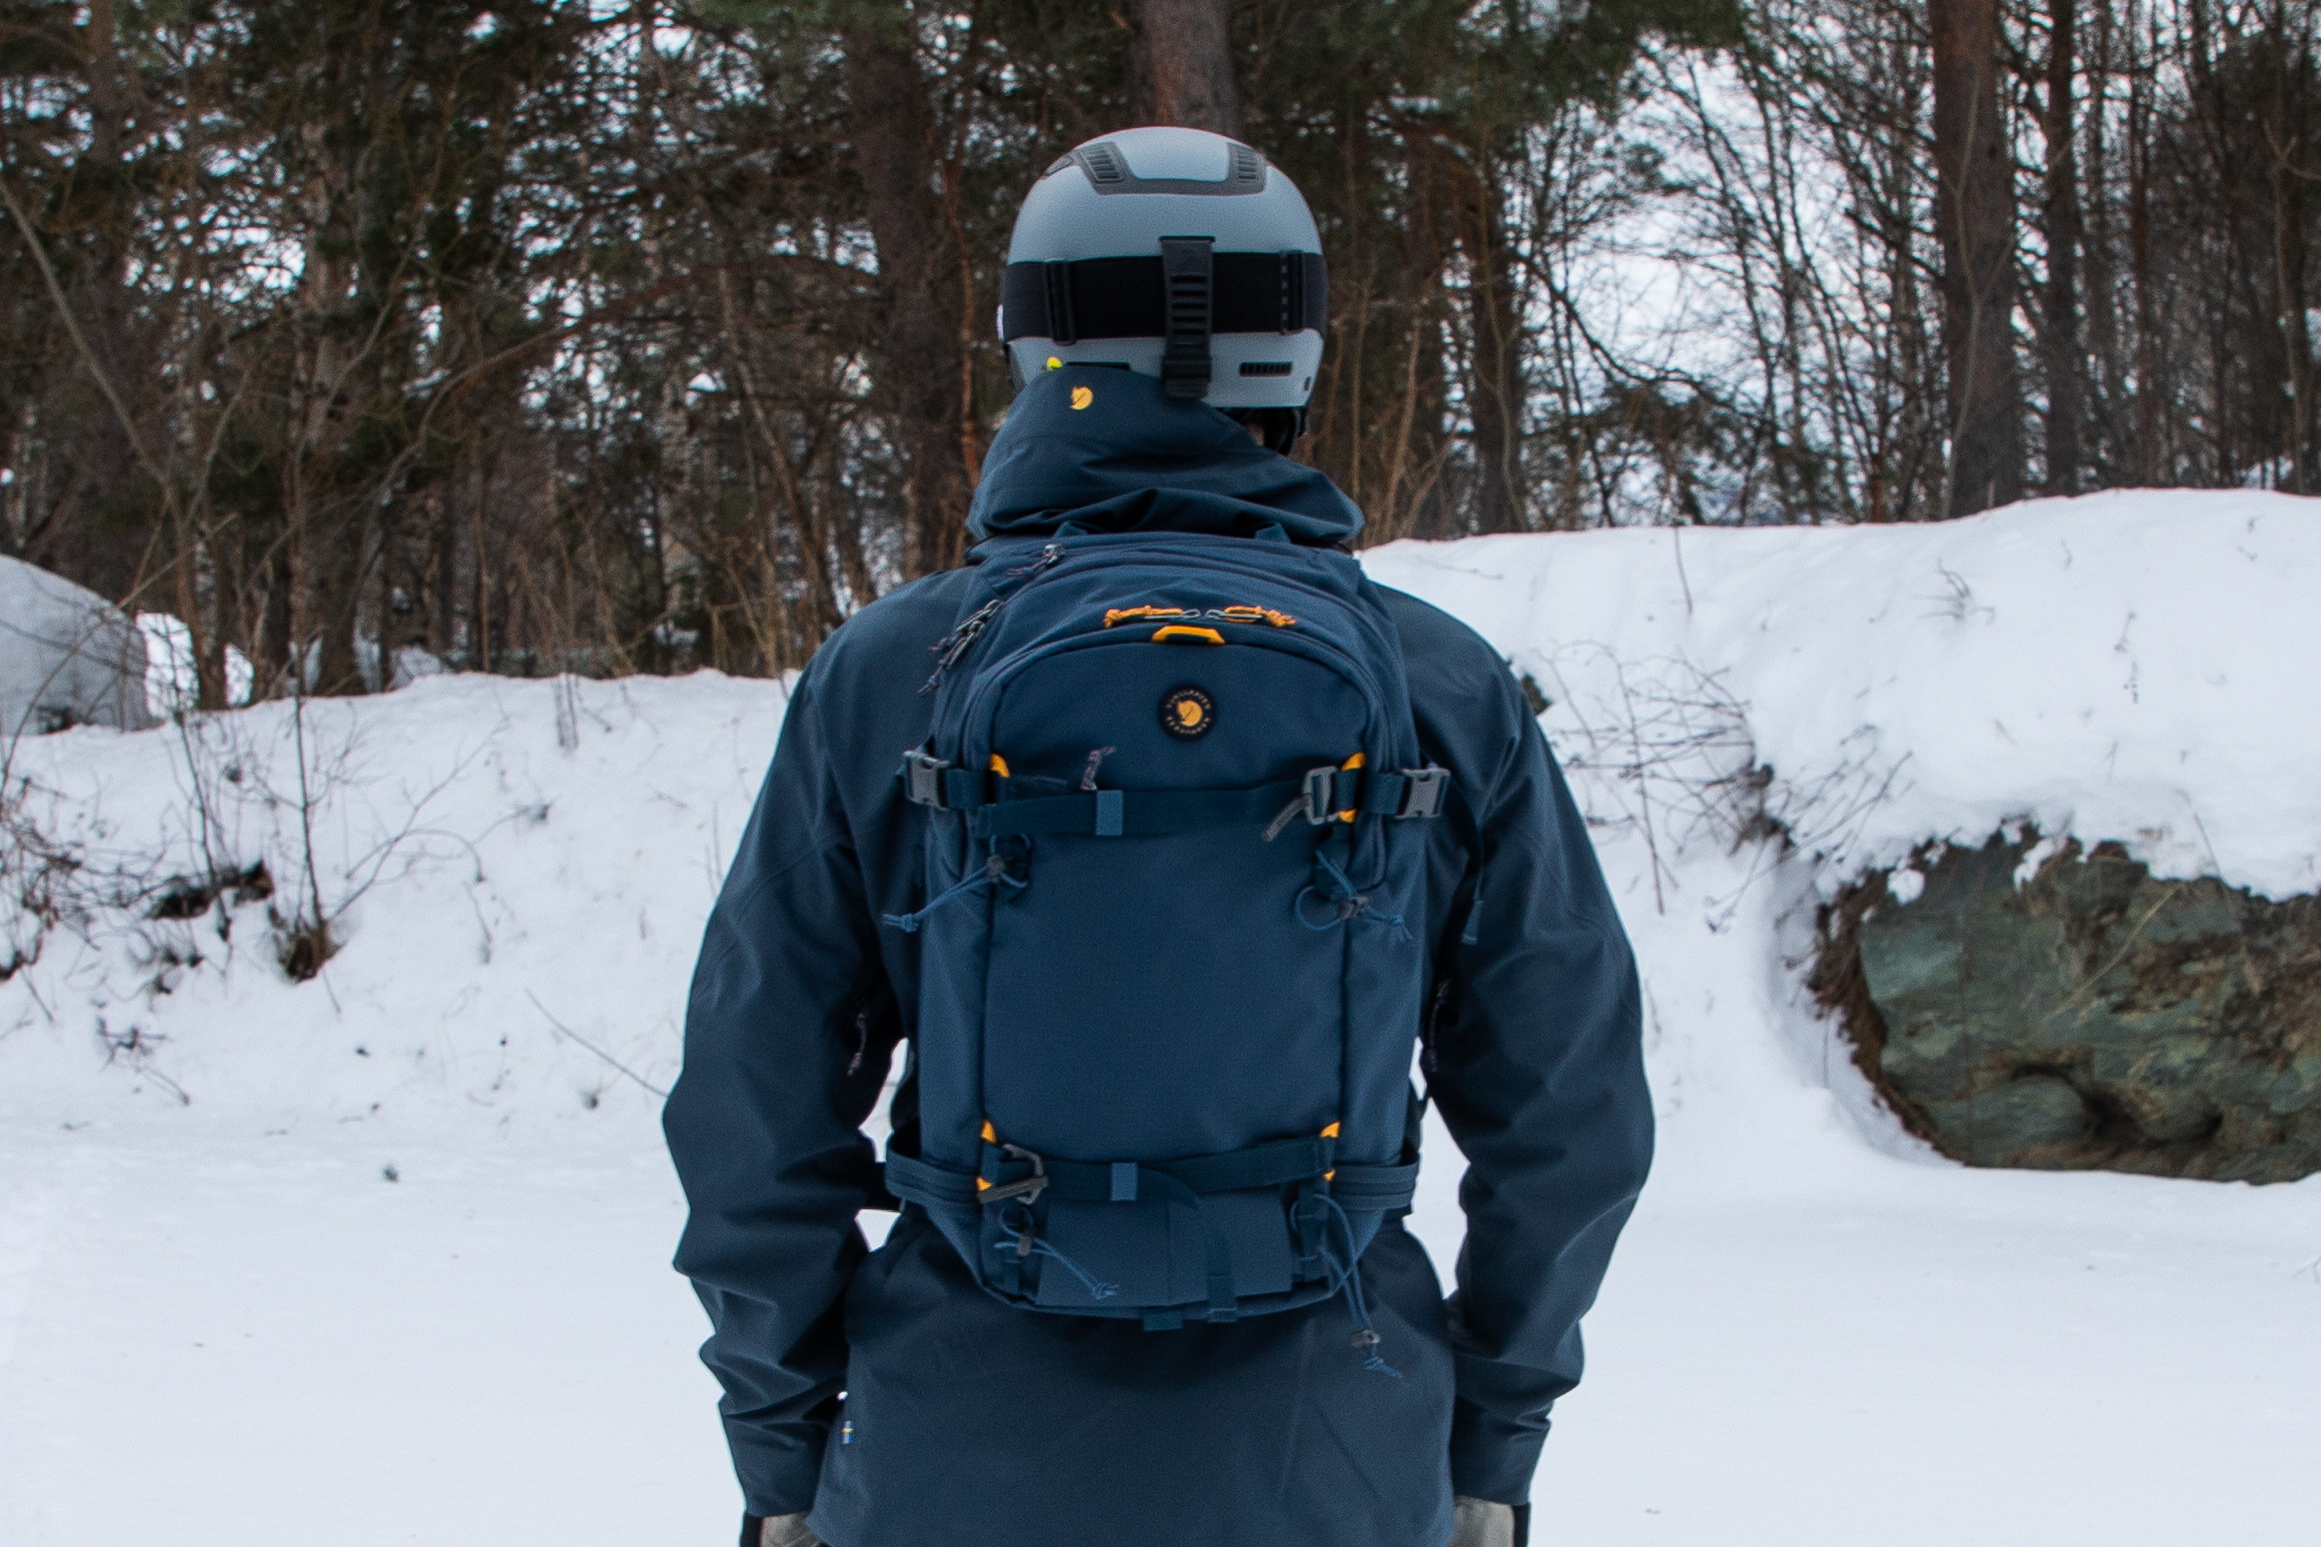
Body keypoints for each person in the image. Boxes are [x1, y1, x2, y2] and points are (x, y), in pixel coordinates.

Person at [665, 126, 1651, 1547]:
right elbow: (1570, 1116)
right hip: (1338, 1457)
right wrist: (1491, 1443)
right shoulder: (1437, 681)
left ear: (1032, 340)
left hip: (951, 1451)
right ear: (1296, 352)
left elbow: (752, 1108)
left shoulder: (888, 674)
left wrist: (782, 1454)